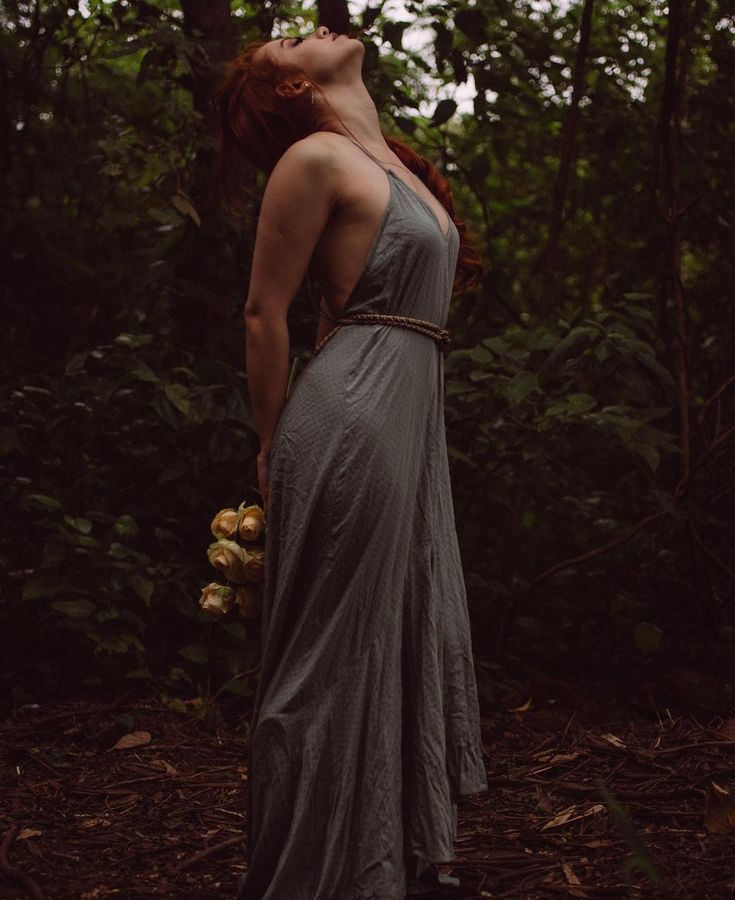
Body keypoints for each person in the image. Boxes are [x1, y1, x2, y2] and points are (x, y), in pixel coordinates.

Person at [211, 23, 488, 900]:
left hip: (404, 414)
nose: (308, 28)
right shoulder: (314, 160)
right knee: (327, 652)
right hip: (351, 417)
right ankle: (300, 875)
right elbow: (265, 312)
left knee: (397, 626)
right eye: (286, 41)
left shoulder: (390, 161)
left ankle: (384, 855)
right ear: (288, 89)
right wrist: (270, 443)